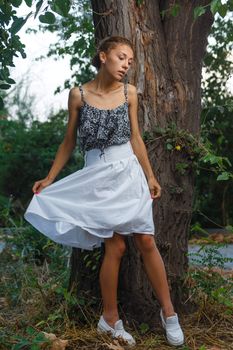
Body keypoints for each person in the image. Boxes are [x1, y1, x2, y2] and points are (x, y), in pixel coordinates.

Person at [24, 36, 184, 347]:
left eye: (130, 61)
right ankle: (109, 319)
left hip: (128, 172)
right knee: (116, 248)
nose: (127, 64)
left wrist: (150, 175)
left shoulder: (130, 93)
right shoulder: (78, 95)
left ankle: (169, 313)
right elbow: (69, 141)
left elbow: (136, 138)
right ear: (103, 56)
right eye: (121, 57)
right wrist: (50, 177)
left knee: (146, 240)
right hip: (96, 177)